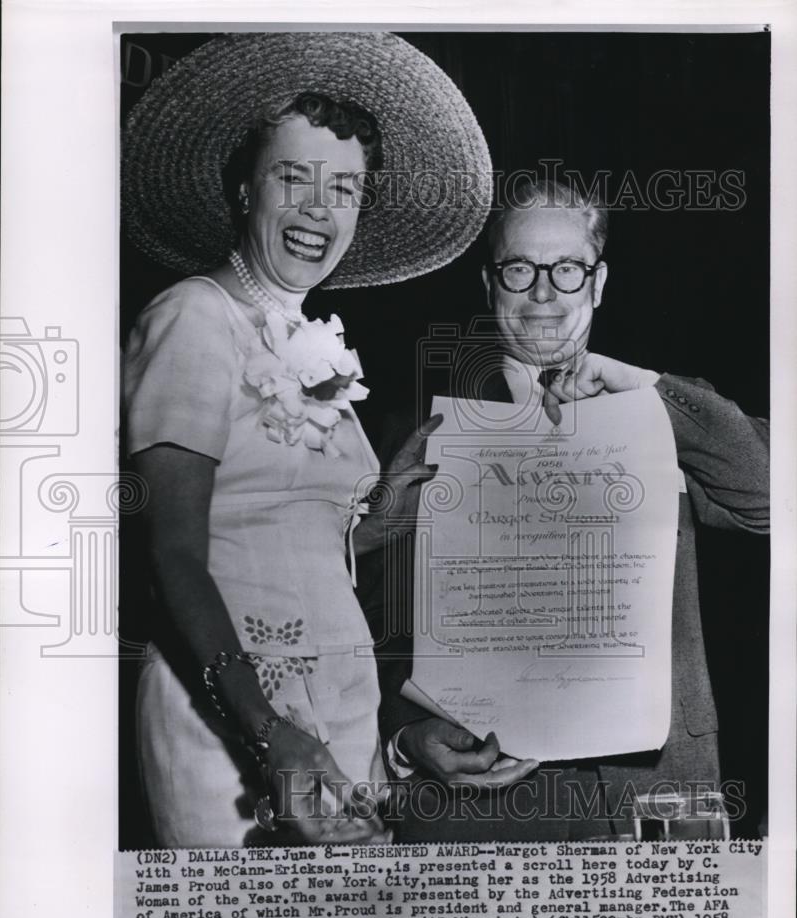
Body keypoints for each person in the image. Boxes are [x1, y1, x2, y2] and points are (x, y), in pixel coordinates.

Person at [121, 32, 492, 847]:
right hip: (238, 722)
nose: (320, 210)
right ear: (243, 188)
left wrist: (379, 516)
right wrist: (267, 734)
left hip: (338, 714)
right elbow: (172, 554)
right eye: (294, 177)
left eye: (346, 188)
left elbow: (283, 534)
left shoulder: (303, 333)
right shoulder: (194, 316)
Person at [371, 178, 770, 841]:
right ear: (489, 282)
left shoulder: (667, 408)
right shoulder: (416, 428)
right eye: (521, 268)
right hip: (490, 809)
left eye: (568, 269)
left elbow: (769, 494)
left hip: (652, 795)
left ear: (599, 281)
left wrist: (643, 387)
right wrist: (406, 736)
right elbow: (350, 611)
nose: (545, 294)